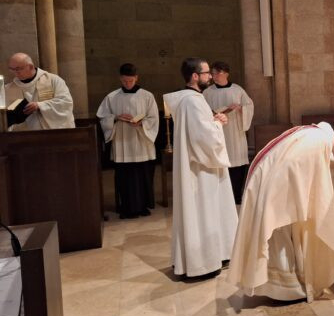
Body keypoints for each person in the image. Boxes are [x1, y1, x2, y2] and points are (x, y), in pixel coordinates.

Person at [227, 122, 334, 301]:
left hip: (270, 181)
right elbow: (314, 186)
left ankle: (282, 286)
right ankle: (285, 290)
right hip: (274, 191)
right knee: (278, 235)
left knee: (281, 235)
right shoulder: (320, 143)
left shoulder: (318, 134)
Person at [163, 58, 238, 278]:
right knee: (203, 210)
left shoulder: (191, 99)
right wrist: (218, 123)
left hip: (200, 165)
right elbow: (204, 138)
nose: (210, 77)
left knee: (208, 210)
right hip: (201, 169)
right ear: (195, 76)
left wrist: (214, 120)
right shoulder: (192, 101)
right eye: (206, 73)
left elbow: (200, 129)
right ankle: (203, 262)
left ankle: (217, 253)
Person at [97, 63, 159, 219]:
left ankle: (142, 206)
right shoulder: (112, 97)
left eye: (131, 81)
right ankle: (126, 208)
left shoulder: (147, 96)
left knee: (141, 175)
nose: (128, 84)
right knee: (124, 177)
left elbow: (154, 118)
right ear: (120, 78)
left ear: (136, 78)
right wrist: (116, 118)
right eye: (125, 81)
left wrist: (142, 123)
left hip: (141, 141)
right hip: (122, 142)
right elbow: (102, 117)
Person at [202, 61, 254, 205]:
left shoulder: (237, 90)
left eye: (215, 73)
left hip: (235, 133)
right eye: (212, 73)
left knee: (237, 163)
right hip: (217, 132)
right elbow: (203, 111)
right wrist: (216, 113)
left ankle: (236, 196)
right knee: (219, 165)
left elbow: (249, 106)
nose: (213, 76)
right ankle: (221, 198)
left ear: (225, 73)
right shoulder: (207, 92)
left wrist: (241, 109)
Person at [4, 53, 75, 131]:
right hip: (24, 136)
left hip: (53, 133)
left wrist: (40, 105)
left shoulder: (53, 80)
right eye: (12, 69)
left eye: (18, 69)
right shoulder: (8, 89)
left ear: (30, 67)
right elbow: (5, 116)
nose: (15, 72)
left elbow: (65, 102)